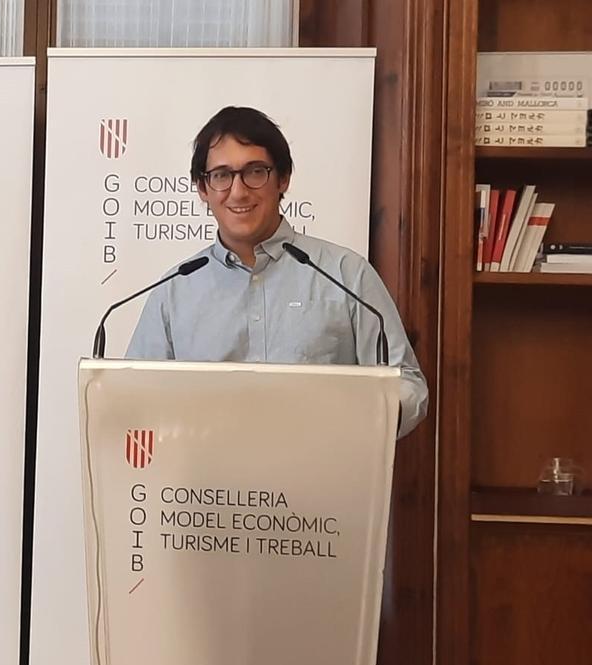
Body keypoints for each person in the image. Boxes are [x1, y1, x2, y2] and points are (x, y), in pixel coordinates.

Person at [126, 106, 427, 437]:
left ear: (283, 179)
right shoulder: (175, 290)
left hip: (322, 479)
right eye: (221, 175)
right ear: (203, 189)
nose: (238, 191)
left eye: (255, 172)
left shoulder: (345, 274)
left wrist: (370, 416)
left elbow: (407, 382)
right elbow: (135, 396)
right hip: (210, 485)